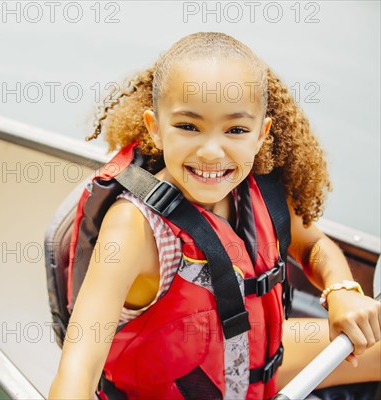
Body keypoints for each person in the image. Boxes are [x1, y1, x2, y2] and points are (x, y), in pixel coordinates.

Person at [49, 32, 381, 399]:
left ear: (260, 135)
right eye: (188, 126)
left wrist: (342, 290)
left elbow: (314, 246)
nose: (211, 152)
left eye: (236, 130)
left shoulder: (258, 188)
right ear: (155, 128)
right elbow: (79, 366)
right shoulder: (134, 228)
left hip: (256, 366)